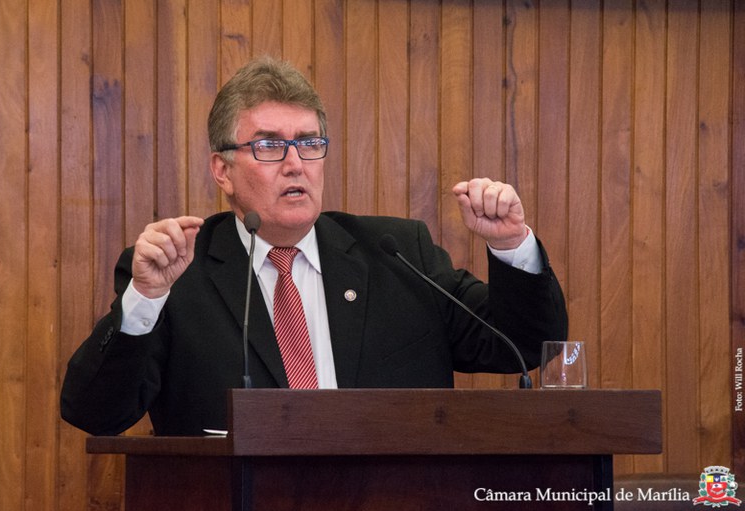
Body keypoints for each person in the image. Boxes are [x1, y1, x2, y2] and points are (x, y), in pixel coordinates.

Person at [61, 56, 568, 436]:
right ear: (222, 170)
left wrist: (511, 246)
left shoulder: (398, 254)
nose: (294, 163)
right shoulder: (178, 277)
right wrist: (145, 301)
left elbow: (522, 345)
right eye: (268, 145)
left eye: (308, 143)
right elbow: (95, 414)